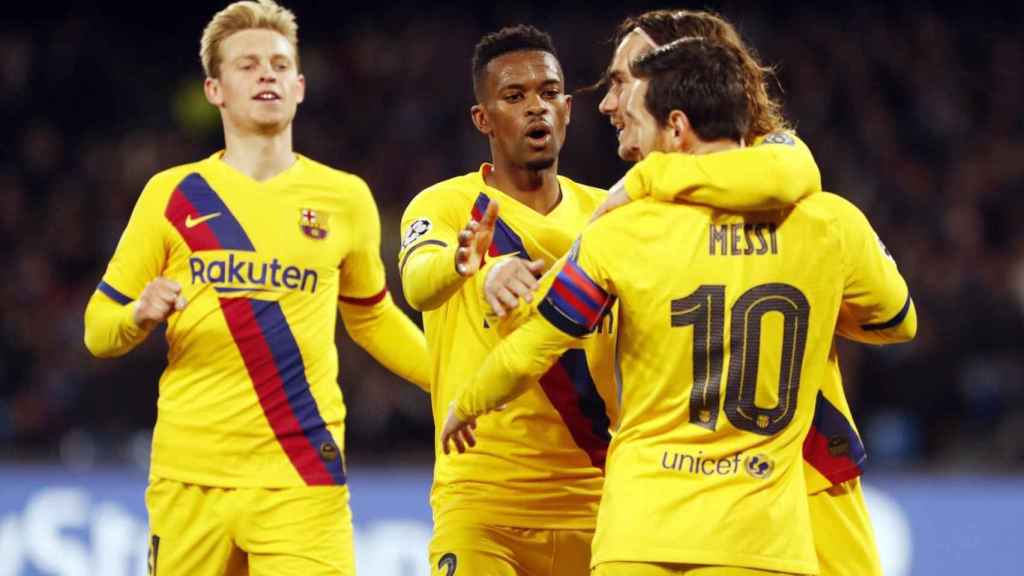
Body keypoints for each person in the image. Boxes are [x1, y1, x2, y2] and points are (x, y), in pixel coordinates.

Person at [443, 36, 916, 576]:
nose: (616, 114)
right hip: (760, 541)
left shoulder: (623, 231)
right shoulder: (826, 224)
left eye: (632, 104)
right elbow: (897, 319)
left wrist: (468, 403)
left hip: (641, 535)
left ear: (676, 128)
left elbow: (530, 349)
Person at [83, 1, 429, 574]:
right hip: (190, 476)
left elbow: (371, 317)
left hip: (301, 473)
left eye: (277, 64)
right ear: (214, 90)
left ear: (298, 86)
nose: (265, 73)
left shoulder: (345, 198)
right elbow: (98, 330)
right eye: (247, 65)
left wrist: (458, 382)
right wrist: (136, 318)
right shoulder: (173, 195)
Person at [595, 10, 889, 575]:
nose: (610, 104)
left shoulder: (775, 180)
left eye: (623, 80)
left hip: (798, 483)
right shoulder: (627, 216)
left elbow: (786, 165)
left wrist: (646, 179)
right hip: (675, 503)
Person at [398, 25, 619, 575]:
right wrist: (469, 266)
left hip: (602, 502)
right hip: (481, 505)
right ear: (484, 119)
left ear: (568, 109)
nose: (536, 108)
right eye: (515, 97)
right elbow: (417, 283)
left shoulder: (610, 219)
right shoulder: (447, 207)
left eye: (548, 93)